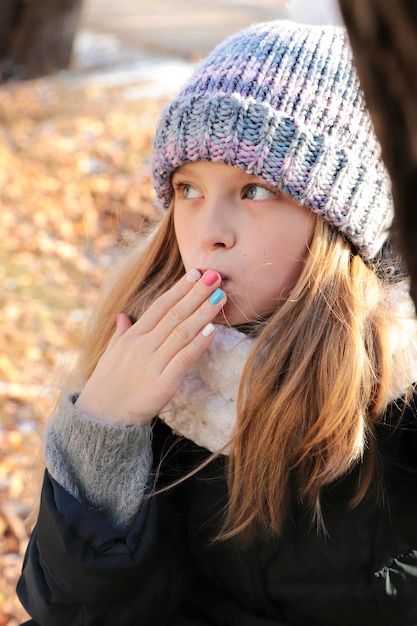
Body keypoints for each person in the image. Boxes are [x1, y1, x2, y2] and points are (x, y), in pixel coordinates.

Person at [17, 18, 417, 626]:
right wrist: (103, 430)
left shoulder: (399, 397)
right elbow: (70, 613)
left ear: (341, 221)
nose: (209, 233)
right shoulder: (150, 370)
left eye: (254, 190)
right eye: (187, 188)